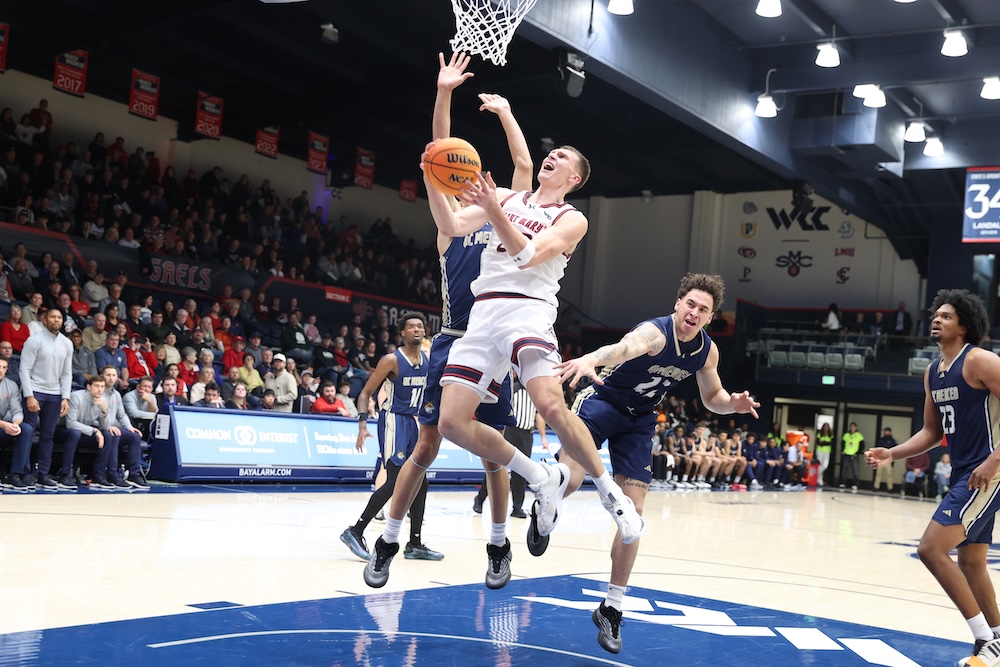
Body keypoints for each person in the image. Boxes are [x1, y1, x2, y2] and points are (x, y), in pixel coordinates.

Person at [364, 53, 532, 591]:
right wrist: (443, 95)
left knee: (493, 453)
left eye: (472, 177)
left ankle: (499, 544)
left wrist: (505, 114)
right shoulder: (451, 227)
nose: (463, 180)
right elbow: (440, 152)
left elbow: (524, 170)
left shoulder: (508, 214)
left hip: (496, 345)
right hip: (455, 340)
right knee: (426, 447)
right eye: (454, 177)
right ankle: (388, 539)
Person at [551, 273, 759, 653]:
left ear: (710, 318)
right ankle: (543, 508)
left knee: (634, 516)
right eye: (690, 304)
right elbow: (622, 349)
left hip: (640, 420)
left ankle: (612, 607)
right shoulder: (656, 333)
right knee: (570, 478)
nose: (694, 313)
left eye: (703, 309)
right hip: (601, 402)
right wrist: (589, 358)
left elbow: (712, 396)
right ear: (677, 304)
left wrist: (733, 405)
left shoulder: (706, 351)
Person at [864, 289, 1000, 666]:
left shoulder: (980, 361)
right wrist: (892, 452)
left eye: (946, 316)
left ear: (965, 326)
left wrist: (993, 461)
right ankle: (999, 640)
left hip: (989, 472)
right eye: (935, 314)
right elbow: (930, 433)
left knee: (930, 548)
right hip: (966, 472)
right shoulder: (932, 372)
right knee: (971, 563)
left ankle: (984, 639)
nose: (936, 319)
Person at [341, 313, 441, 564]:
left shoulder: (427, 361)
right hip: (394, 420)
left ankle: (415, 544)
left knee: (421, 482)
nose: (416, 330)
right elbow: (364, 394)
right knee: (397, 481)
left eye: (420, 326)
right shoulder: (391, 360)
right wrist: (362, 424)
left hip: (413, 423)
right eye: (411, 326)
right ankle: (355, 531)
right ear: (403, 333)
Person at [472, 370, 543, 519]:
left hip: (527, 433)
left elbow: (539, 415)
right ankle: (480, 499)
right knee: (496, 466)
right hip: (511, 430)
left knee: (520, 472)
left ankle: (517, 507)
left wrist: (543, 437)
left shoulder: (536, 392)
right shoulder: (514, 388)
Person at [19, 308, 72, 491]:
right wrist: (29, 395)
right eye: (53, 317)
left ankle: (43, 474)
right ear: (45, 320)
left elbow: (67, 374)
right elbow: (24, 369)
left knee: (48, 435)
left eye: (59, 317)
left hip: (55, 393)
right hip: (35, 391)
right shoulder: (34, 340)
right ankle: (25, 473)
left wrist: (65, 397)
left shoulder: (67, 343)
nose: (56, 320)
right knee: (29, 432)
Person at [96, 365, 148, 489]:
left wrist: (129, 427)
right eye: (108, 375)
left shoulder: (117, 394)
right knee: (114, 433)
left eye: (114, 375)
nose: (111, 378)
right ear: (102, 376)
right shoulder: (98, 392)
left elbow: (122, 414)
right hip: (100, 428)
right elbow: (92, 417)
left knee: (134, 436)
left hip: (114, 427)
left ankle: (134, 474)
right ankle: (112, 473)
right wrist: (107, 426)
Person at [0, 356, 34, 492]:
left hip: (3, 427)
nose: (1, 370)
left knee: (26, 429)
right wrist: (4, 425)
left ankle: (15, 475)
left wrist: (15, 424)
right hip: (2, 425)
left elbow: (17, 411)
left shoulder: (11, 385)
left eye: (3, 368)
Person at [840, 422, 863, 490]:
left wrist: (858, 453)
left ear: (856, 428)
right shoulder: (846, 435)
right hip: (846, 454)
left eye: (853, 427)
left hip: (854, 455)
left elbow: (862, 445)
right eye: (851, 427)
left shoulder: (859, 435)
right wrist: (843, 451)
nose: (852, 428)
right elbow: (842, 443)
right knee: (844, 469)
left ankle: (855, 484)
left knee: (855, 470)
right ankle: (843, 483)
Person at [873, 426, 896, 492]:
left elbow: (894, 451)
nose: (885, 432)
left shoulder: (892, 441)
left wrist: (892, 460)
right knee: (878, 474)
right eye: (884, 431)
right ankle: (876, 487)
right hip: (880, 459)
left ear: (890, 432)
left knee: (889, 474)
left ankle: (890, 488)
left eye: (886, 431)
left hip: (888, 460)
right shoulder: (881, 440)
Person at [814, 422, 834, 487]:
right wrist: (825, 443)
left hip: (827, 451)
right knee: (820, 464)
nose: (826, 428)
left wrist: (823, 443)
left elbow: (830, 443)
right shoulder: (820, 434)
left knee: (825, 465)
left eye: (827, 427)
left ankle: (815, 476)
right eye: (825, 426)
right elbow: (818, 442)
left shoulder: (830, 435)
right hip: (820, 450)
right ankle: (820, 480)